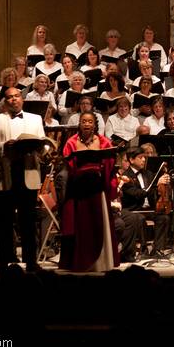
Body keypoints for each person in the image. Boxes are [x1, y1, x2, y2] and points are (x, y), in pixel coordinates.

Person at [0, 86, 46, 271]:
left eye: (17, 96)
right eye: (9, 97)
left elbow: (42, 143)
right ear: (5, 101)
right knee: (4, 221)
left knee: (28, 221)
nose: (13, 99)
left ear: (22, 99)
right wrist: (4, 145)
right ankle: (4, 262)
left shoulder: (35, 119)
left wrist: (41, 148)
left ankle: (31, 262)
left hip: (28, 173)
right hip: (5, 174)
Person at [60, 111, 119, 272]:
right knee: (81, 225)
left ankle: (101, 261)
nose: (86, 124)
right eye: (83, 121)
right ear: (79, 124)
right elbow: (67, 162)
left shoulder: (103, 141)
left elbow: (110, 163)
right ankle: (81, 261)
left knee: (98, 222)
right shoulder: (71, 142)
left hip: (97, 187)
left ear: (95, 124)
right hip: (78, 188)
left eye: (89, 122)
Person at [119, 147, 171, 257]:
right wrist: (156, 184)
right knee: (140, 218)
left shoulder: (149, 174)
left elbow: (154, 193)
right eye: (140, 157)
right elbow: (138, 194)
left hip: (149, 208)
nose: (143, 160)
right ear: (131, 160)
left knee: (163, 217)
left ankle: (157, 249)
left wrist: (162, 186)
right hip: (134, 210)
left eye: (144, 157)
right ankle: (144, 249)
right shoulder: (126, 177)